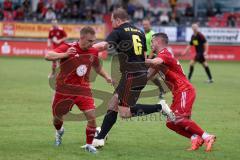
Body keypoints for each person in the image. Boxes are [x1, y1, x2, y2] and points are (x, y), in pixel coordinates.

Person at [92, 8, 174, 148]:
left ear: (118, 20)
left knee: (124, 112)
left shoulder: (119, 31)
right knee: (113, 104)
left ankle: (159, 107)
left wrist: (86, 49)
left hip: (131, 75)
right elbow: (143, 56)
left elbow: (104, 45)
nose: (112, 24)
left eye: (112, 21)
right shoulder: (140, 32)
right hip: (137, 73)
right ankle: (99, 138)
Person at [45, 26, 113, 153]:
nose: (93, 44)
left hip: (83, 89)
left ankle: (89, 145)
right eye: (90, 41)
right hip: (64, 90)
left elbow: (97, 67)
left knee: (92, 117)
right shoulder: (68, 47)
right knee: (57, 118)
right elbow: (48, 56)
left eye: (94, 41)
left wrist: (107, 77)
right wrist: (65, 54)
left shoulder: (92, 51)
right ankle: (59, 131)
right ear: (82, 38)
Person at [146, 32, 216, 152]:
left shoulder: (165, 54)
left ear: (158, 42)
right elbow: (146, 76)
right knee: (171, 122)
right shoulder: (159, 59)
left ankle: (207, 137)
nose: (150, 44)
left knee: (179, 118)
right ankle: (195, 138)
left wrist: (137, 59)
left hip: (185, 90)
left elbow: (154, 62)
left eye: (152, 42)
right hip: (178, 93)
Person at [142, 18, 165, 99]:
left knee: (149, 76)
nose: (144, 26)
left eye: (146, 25)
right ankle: (162, 90)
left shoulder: (152, 34)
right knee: (150, 77)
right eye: (143, 25)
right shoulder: (143, 33)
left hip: (151, 57)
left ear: (150, 25)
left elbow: (153, 48)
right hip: (146, 57)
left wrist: (149, 58)